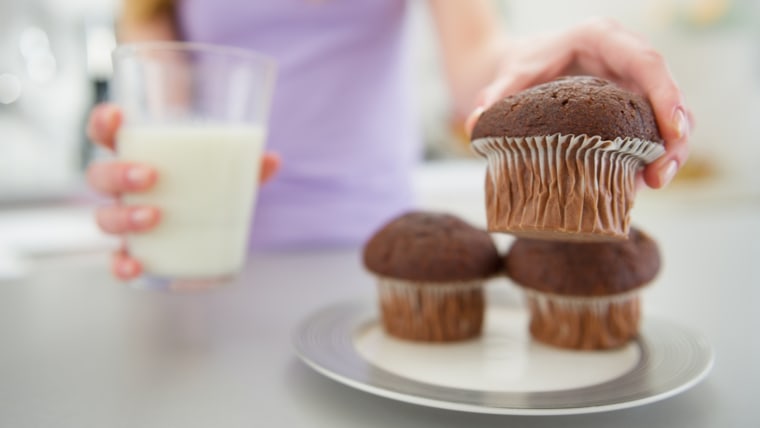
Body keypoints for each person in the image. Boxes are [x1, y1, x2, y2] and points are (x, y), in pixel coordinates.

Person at [86, 0, 692, 280]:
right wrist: (141, 166)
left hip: (371, 249)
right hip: (209, 258)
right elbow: (168, 97)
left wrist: (557, 69)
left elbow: (479, 72)